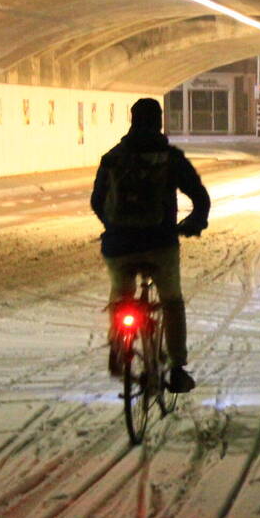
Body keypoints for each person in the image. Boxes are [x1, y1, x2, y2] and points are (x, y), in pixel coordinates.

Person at [90, 98, 210, 393]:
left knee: (121, 294)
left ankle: (119, 345)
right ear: (159, 122)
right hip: (160, 242)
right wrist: (194, 223)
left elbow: (97, 200)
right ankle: (178, 369)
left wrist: (114, 227)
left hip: (119, 245)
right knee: (171, 302)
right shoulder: (170, 157)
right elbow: (199, 197)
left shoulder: (112, 157)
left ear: (131, 120)